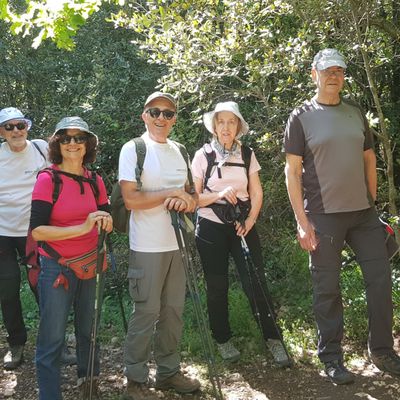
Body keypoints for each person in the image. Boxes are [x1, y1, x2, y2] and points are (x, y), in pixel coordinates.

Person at [284, 48, 400, 385]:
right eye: (327, 70)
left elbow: (368, 157)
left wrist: (372, 201)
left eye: (339, 70)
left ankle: (381, 350)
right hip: (323, 217)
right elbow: (292, 172)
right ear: (314, 74)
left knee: (380, 282)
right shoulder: (301, 116)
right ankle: (332, 358)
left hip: (363, 215)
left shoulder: (355, 111)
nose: (334, 75)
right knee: (327, 289)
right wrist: (302, 223)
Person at [191, 101, 290, 368]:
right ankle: (223, 340)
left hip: (242, 225)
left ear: (238, 126)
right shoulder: (203, 155)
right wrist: (219, 196)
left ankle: (273, 340)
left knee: (255, 282)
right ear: (214, 126)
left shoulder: (247, 154)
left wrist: (250, 220)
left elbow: (256, 191)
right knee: (217, 286)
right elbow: (193, 199)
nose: (226, 127)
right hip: (211, 226)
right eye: (221, 122)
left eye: (231, 122)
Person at [119, 91, 200, 400]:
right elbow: (131, 199)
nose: (161, 118)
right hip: (147, 245)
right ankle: (135, 380)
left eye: (168, 113)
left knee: (173, 311)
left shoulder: (180, 151)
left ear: (174, 119)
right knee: (147, 311)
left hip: (177, 244)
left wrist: (186, 199)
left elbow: (192, 196)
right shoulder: (134, 149)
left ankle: (168, 372)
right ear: (145, 115)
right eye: (155, 112)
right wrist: (170, 192)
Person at [30, 116, 113, 400]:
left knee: (88, 330)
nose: (73, 143)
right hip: (58, 268)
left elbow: (104, 213)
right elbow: (38, 232)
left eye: (79, 138)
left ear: (88, 143)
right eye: (66, 138)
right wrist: (83, 226)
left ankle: (88, 380)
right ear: (57, 143)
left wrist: (106, 221)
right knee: (52, 338)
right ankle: (50, 395)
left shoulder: (95, 180)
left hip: (91, 264)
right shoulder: (47, 179)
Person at [0, 107, 49, 370]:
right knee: (7, 291)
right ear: (1, 132)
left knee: (43, 288)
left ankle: (54, 342)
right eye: (9, 127)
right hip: (2, 235)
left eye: (20, 124)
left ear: (27, 126)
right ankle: (16, 344)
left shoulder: (41, 149)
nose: (16, 130)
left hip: (36, 233)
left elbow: (57, 181)